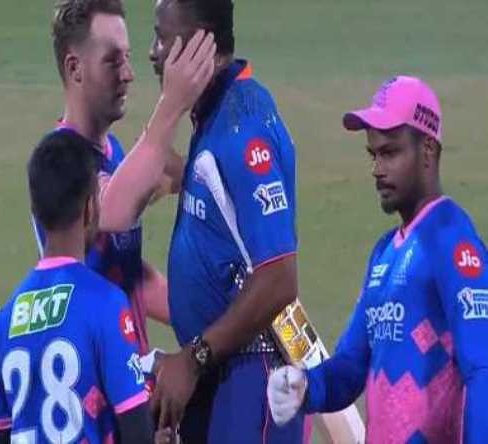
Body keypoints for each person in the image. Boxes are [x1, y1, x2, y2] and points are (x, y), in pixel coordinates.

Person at [268, 76, 488, 442]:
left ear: (428, 150)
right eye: (373, 155)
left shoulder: (451, 240)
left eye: (390, 153)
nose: (377, 169)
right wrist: (306, 387)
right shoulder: (384, 253)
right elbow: (351, 366)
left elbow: (482, 366)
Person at [147, 0, 305, 442]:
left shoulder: (243, 126)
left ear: (202, 43)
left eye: (163, 37)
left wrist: (193, 357)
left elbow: (279, 277)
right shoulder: (215, 113)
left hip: (253, 376)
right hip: (223, 373)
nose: (153, 52)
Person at [32, 0, 216, 357]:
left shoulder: (111, 151)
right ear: (75, 68)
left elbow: (128, 273)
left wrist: (208, 320)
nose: (129, 73)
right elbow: (114, 212)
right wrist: (172, 103)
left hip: (126, 365)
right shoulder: (60, 160)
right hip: (88, 373)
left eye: (127, 58)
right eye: (112, 61)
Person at [0, 130, 154, 444]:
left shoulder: (6, 320)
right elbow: (137, 431)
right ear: (90, 208)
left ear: (36, 211)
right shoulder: (106, 304)